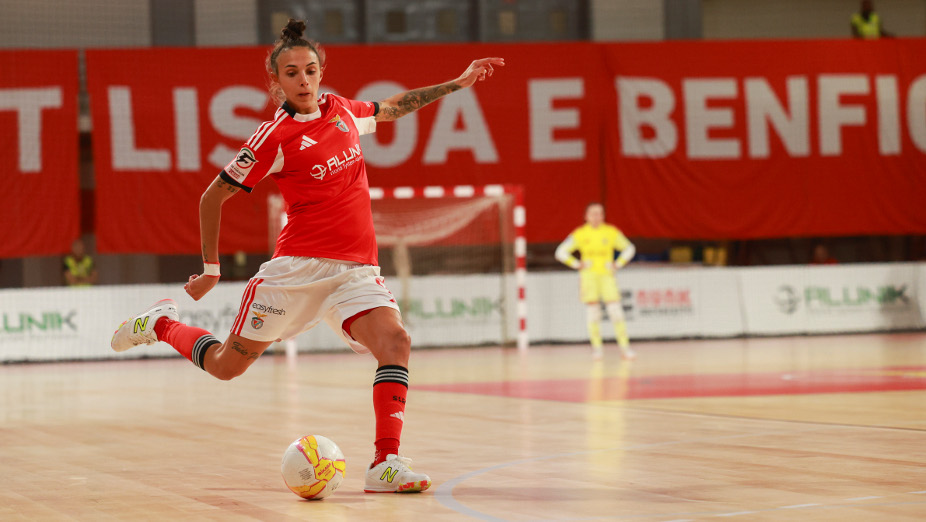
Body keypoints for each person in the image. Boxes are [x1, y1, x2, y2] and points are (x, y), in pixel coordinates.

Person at [110, 19, 504, 494]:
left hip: (356, 272)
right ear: (276, 80)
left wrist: (457, 83)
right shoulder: (272, 136)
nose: (303, 80)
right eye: (292, 73)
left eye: (310, 70)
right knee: (225, 367)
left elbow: (395, 106)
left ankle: (385, 463)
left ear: (321, 73)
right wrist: (211, 269)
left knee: (396, 342)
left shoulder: (342, 111)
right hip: (296, 273)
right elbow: (212, 197)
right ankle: (161, 324)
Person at [555, 203, 636, 360]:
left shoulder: (611, 232)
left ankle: (625, 348)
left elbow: (629, 248)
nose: (596, 216)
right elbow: (560, 252)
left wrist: (618, 264)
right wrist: (577, 264)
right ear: (586, 216)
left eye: (599, 213)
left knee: (615, 312)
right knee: (593, 313)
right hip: (589, 278)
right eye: (592, 213)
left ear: (603, 215)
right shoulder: (580, 234)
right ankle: (597, 349)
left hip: (607, 277)